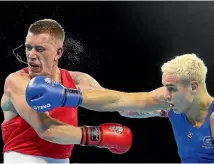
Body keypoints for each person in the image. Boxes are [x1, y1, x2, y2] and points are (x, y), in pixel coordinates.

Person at [26, 53, 214, 163]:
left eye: (172, 88)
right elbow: (120, 101)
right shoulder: (171, 102)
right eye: (165, 86)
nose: (166, 94)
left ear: (194, 87)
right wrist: (66, 96)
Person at [1, 19, 132, 163]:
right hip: (22, 159)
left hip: (62, 160)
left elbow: (115, 102)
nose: (31, 55)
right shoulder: (17, 81)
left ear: (58, 52)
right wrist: (100, 135)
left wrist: (155, 109)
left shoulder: (77, 80)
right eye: (28, 47)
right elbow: (47, 129)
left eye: (39, 49)